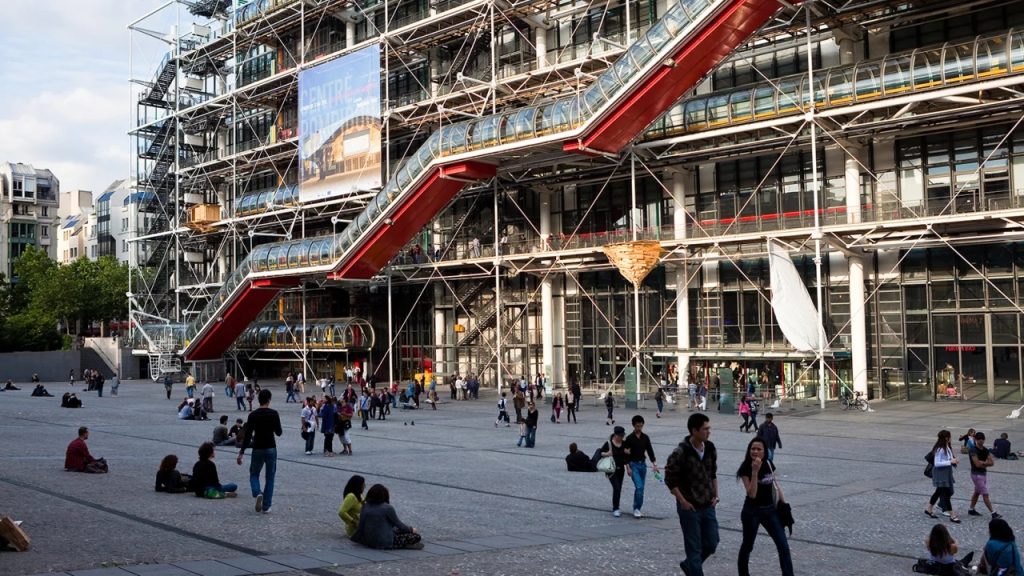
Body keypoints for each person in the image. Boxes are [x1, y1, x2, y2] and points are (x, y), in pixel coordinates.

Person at [665, 413, 719, 576]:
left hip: (708, 504)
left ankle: (690, 565)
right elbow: (670, 480)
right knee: (694, 548)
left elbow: (713, 473)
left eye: (709, 428)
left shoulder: (710, 448)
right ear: (694, 431)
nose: (708, 432)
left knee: (712, 543)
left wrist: (715, 495)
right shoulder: (681, 452)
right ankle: (694, 566)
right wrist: (682, 501)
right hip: (690, 507)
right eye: (705, 429)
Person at [736, 437, 794, 576]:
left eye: (758, 449)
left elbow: (776, 485)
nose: (755, 451)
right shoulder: (745, 467)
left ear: (764, 451)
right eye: (753, 449)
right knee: (748, 546)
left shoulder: (768, 463)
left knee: (783, 546)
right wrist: (755, 471)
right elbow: (752, 494)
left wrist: (784, 505)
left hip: (770, 510)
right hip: (752, 512)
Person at [236, 389, 282, 513]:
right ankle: (266, 506)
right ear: (269, 400)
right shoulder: (274, 413)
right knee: (270, 477)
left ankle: (257, 493)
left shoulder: (253, 415)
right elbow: (279, 432)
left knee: (254, 473)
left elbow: (247, 436)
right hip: (271, 448)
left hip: (257, 448)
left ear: (258, 400)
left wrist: (241, 453)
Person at [352, 484, 423, 550]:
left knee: (395, 529)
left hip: (368, 541)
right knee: (416, 536)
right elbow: (399, 524)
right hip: (384, 542)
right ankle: (405, 544)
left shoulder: (365, 506)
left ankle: (405, 543)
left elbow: (361, 526)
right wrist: (411, 530)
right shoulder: (387, 508)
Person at [623, 415, 658, 519]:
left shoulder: (645, 437)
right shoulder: (629, 438)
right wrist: (627, 467)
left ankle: (637, 507)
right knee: (639, 486)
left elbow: (650, 451)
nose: (639, 428)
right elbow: (625, 454)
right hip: (633, 465)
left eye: (641, 426)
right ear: (634, 426)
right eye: (637, 426)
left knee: (641, 489)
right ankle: (636, 509)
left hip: (643, 465)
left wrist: (654, 463)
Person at [925, 429, 961, 523]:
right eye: (949, 436)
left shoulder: (946, 446)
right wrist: (950, 461)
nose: (950, 438)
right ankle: (952, 515)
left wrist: (954, 459)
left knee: (939, 491)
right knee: (945, 492)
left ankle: (929, 509)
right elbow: (937, 463)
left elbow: (948, 457)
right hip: (941, 473)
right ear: (946, 438)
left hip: (946, 472)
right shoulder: (940, 448)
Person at [968, 432, 1001, 519]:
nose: (981, 441)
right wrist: (985, 463)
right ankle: (993, 513)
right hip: (976, 474)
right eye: (979, 439)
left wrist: (982, 462)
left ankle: (971, 509)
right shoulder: (973, 450)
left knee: (977, 492)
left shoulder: (985, 450)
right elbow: (977, 464)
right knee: (985, 494)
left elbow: (991, 463)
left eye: (982, 439)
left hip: (983, 474)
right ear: (976, 439)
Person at [600, 426, 629, 515]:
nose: (621, 437)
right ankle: (615, 508)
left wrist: (628, 468)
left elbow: (626, 458)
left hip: (621, 469)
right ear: (615, 435)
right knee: (616, 487)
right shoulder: (609, 444)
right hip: (611, 470)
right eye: (620, 436)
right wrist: (607, 453)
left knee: (618, 488)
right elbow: (600, 453)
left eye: (623, 435)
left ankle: (616, 505)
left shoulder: (624, 443)